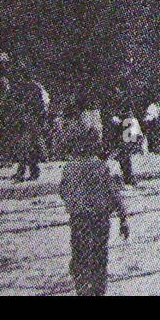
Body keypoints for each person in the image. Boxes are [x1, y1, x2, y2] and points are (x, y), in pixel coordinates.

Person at [58, 125, 128, 296]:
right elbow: (115, 195)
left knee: (80, 255)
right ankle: (98, 291)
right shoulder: (102, 167)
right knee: (99, 256)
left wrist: (76, 203)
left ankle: (82, 290)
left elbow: (63, 192)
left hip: (79, 219)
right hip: (99, 218)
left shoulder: (69, 167)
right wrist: (123, 219)